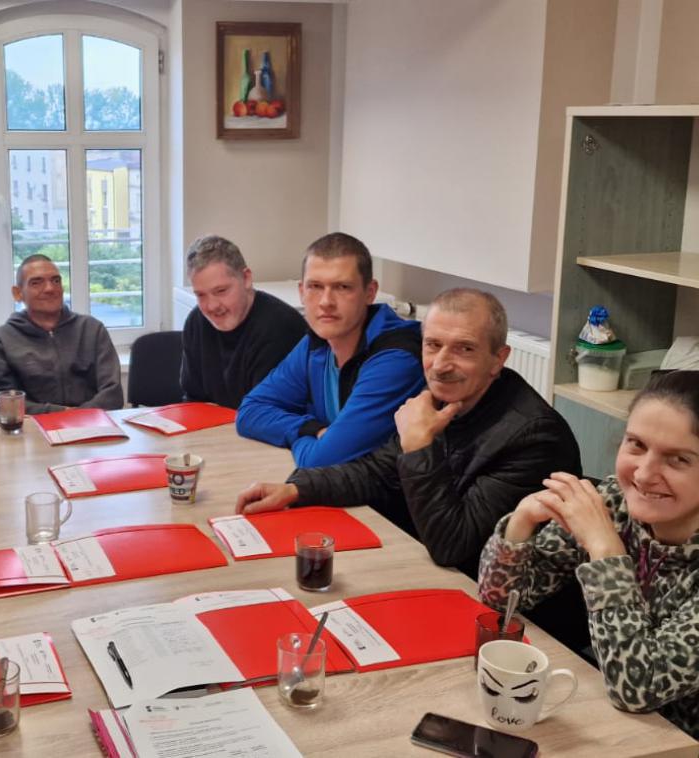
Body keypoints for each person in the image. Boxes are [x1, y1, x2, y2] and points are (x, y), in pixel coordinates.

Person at [235, 289, 582, 579]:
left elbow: (454, 547)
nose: (441, 365)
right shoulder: (442, 400)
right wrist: (297, 489)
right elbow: (377, 472)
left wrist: (419, 447)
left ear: (497, 359)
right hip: (427, 569)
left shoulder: (533, 438)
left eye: (464, 348)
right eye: (433, 345)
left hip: (505, 612)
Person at [479, 370, 699, 739]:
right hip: (606, 716)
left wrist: (605, 550)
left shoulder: (607, 521)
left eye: (678, 459)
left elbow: (638, 688)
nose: (645, 474)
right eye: (636, 445)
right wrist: (521, 522)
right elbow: (502, 601)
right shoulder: (614, 501)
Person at [236, 232, 424, 467]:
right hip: (336, 483)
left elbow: (320, 460)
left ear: (370, 292)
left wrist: (302, 438)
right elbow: (249, 413)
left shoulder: (396, 359)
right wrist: (311, 429)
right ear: (301, 292)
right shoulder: (317, 342)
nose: (326, 301)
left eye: (342, 287)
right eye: (315, 286)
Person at [0, 254, 123, 414]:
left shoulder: (92, 330)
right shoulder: (3, 339)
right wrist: (60, 413)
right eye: (36, 282)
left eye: (56, 281)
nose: (50, 289)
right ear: (18, 293)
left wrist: (79, 417)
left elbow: (113, 394)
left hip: (93, 424)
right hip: (31, 427)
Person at [179, 235, 307, 409]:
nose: (211, 306)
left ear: (246, 278)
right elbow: (193, 400)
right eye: (200, 295)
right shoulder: (197, 322)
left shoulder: (281, 328)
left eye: (221, 291)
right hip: (218, 423)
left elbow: (267, 412)